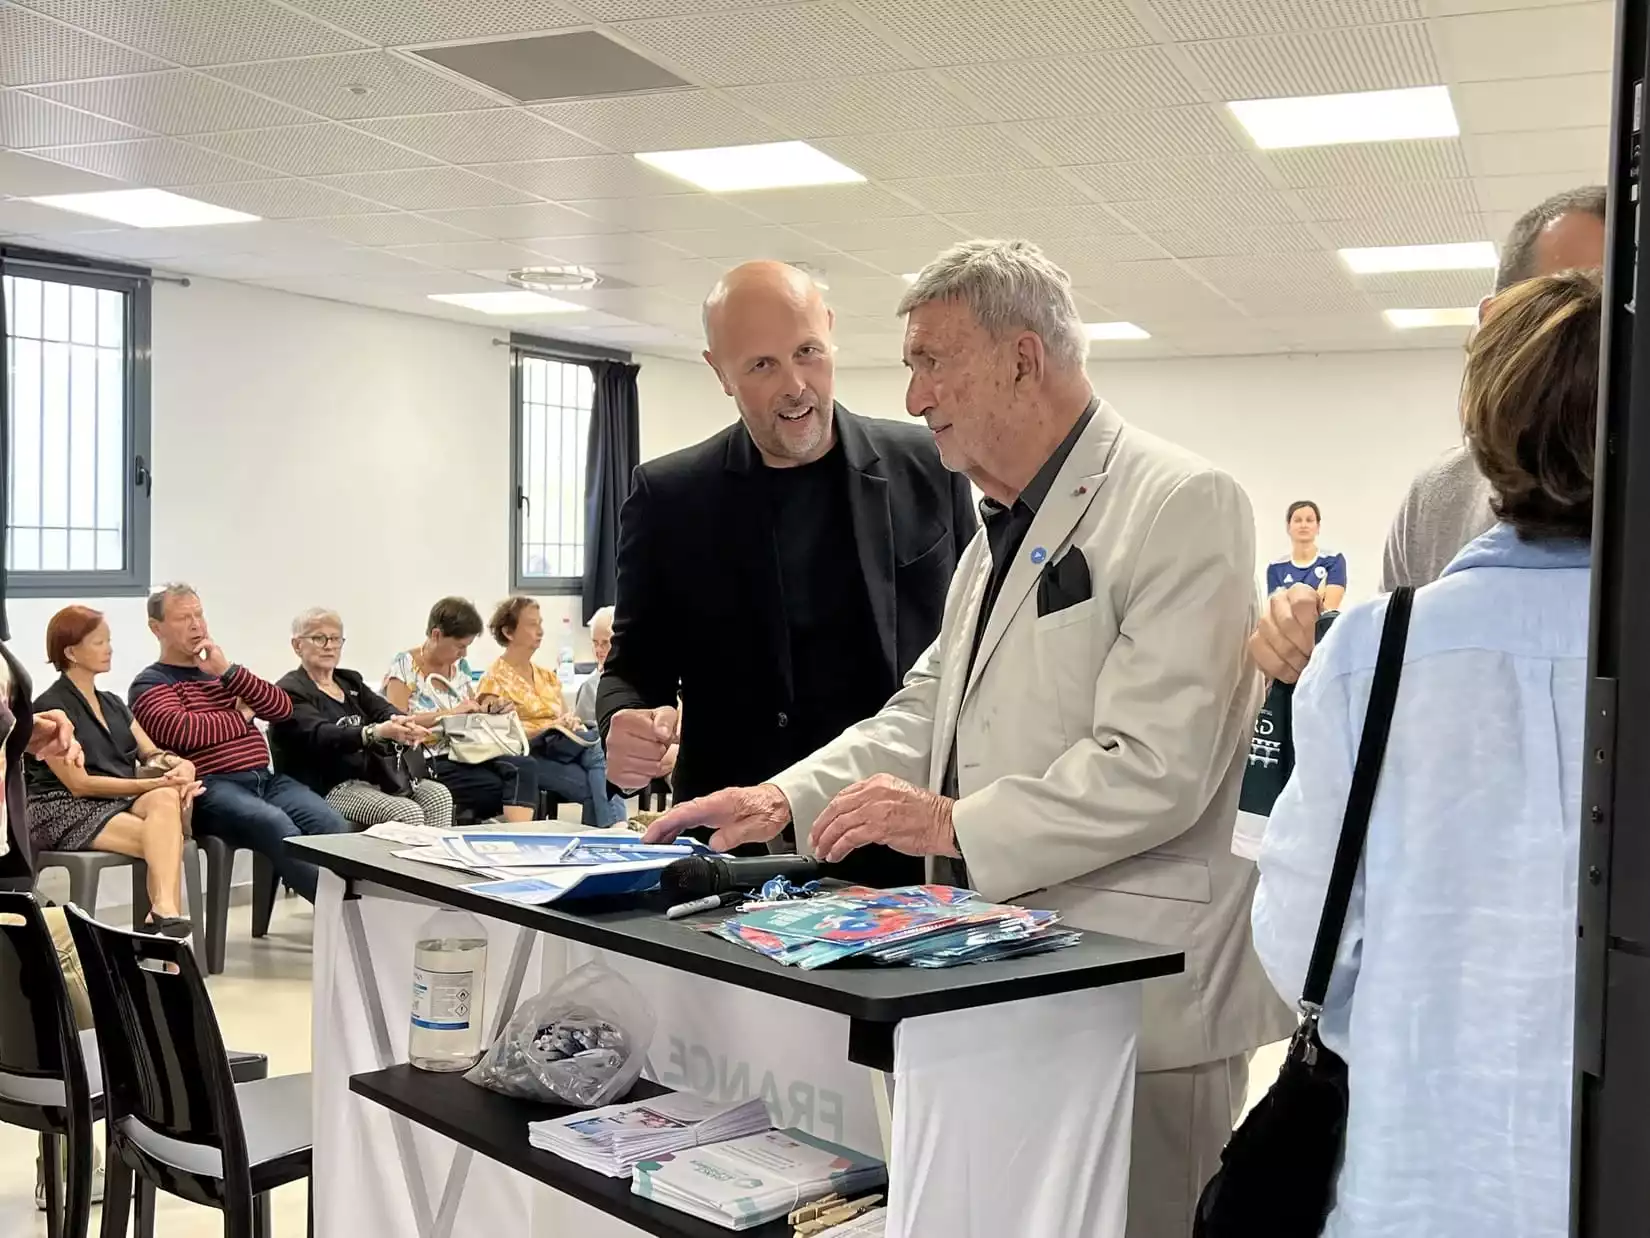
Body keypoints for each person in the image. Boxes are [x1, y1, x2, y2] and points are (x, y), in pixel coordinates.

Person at [646, 239, 1293, 1237]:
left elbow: (1156, 764)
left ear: (1023, 360)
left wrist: (951, 818)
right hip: (1014, 975)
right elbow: (922, 710)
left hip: (1139, 1002)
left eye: (931, 360)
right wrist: (785, 798)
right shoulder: (1000, 528)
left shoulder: (1180, 502)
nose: (911, 395)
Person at [1252, 269, 1600, 1237]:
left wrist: (1424, 1002)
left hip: (1418, 1169)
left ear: (1481, 430)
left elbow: (1303, 939)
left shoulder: (1374, 649)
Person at [599, 259, 976, 884]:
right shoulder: (670, 496)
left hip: (897, 835)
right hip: (732, 842)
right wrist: (624, 721)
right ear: (719, 371)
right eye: (761, 365)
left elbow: (966, 650)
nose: (795, 384)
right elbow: (635, 669)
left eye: (807, 352)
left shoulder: (929, 467)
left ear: (830, 332)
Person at [1252, 184, 1605, 684]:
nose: (1596, 349)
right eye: (1566, 312)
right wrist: (1312, 654)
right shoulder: (1437, 497)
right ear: (1495, 326)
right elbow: (1399, 682)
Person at [128, 583, 348, 904]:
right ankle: (340, 915)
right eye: (183, 618)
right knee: (274, 824)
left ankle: (355, 910)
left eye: (199, 615)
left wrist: (227, 670)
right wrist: (241, 718)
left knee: (331, 823)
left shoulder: (222, 673)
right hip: (211, 788)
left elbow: (281, 708)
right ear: (156, 627)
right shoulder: (151, 682)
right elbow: (184, 733)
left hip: (264, 780)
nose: (196, 625)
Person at [26, 606, 200, 938]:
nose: (109, 649)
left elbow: (150, 753)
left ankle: (163, 911)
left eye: (109, 641)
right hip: (61, 805)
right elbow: (79, 784)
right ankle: (166, 937)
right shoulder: (51, 706)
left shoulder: (114, 703)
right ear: (71, 652)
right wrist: (149, 786)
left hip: (116, 800)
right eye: (99, 642)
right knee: (167, 838)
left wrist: (179, 766)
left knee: (165, 800)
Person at [271, 608, 453, 831]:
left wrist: (404, 724)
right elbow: (322, 734)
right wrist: (375, 732)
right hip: (329, 786)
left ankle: (429, 864)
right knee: (406, 812)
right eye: (319, 638)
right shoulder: (289, 690)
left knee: (438, 796)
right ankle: (391, 867)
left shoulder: (349, 681)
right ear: (297, 645)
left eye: (336, 639)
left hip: (374, 777)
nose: (329, 645)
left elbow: (383, 709)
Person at [383, 596, 540, 824]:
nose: (463, 654)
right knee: (502, 787)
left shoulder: (459, 668)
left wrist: (489, 709)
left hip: (464, 751)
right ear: (436, 635)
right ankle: (509, 834)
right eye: (460, 646)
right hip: (428, 757)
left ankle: (514, 835)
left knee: (525, 767)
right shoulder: (405, 667)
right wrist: (450, 713)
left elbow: (469, 711)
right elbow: (396, 722)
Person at [478, 598, 626, 827]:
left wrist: (568, 722)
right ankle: (616, 830)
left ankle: (608, 837)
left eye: (540, 623)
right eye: (531, 624)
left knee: (596, 754)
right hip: (530, 754)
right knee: (596, 769)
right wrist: (547, 728)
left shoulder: (547, 676)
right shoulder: (494, 680)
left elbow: (569, 716)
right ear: (508, 632)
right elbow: (497, 738)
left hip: (563, 747)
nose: (540, 631)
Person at [1265, 501, 1346, 608]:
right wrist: (1318, 595)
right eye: (1298, 520)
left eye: (1309, 520)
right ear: (1288, 527)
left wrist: (1292, 600)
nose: (1303, 525)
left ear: (1318, 527)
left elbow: (1329, 609)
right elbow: (1277, 612)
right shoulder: (1276, 567)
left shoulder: (1333, 560)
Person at [573, 605, 613, 724]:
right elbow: (585, 736)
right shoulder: (590, 688)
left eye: (605, 643)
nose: (599, 649)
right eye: (595, 643)